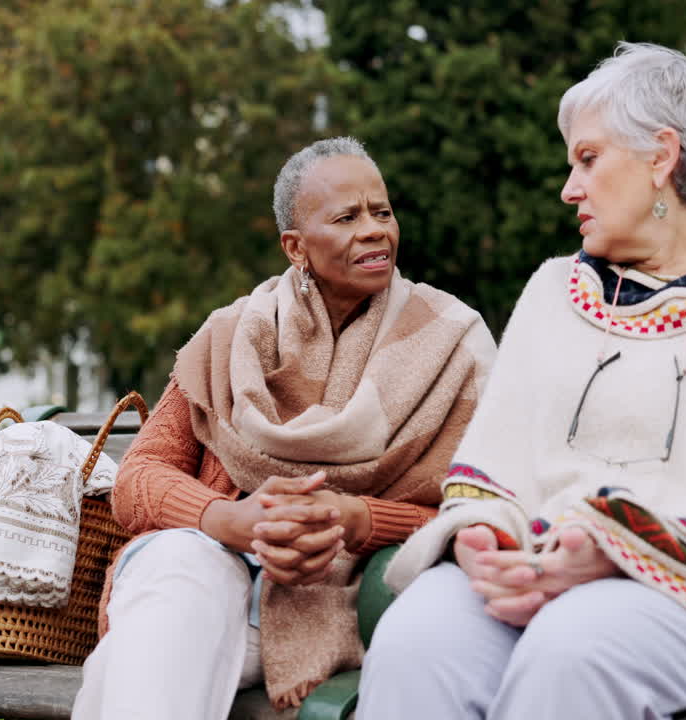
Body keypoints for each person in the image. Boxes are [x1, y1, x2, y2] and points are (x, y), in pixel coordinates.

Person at [357, 43, 686, 718]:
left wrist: (613, 552)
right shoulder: (554, 292)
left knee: (574, 647)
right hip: (540, 570)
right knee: (416, 638)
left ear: (660, 158)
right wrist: (483, 540)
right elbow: (491, 473)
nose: (568, 188)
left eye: (588, 159)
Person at [72, 137, 496, 719]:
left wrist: (357, 518)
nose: (374, 230)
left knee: (132, 656)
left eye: (383, 211)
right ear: (295, 247)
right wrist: (231, 522)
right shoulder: (230, 335)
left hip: (343, 602)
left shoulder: (452, 341)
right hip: (204, 575)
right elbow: (138, 476)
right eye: (347, 217)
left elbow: (475, 509)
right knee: (183, 567)